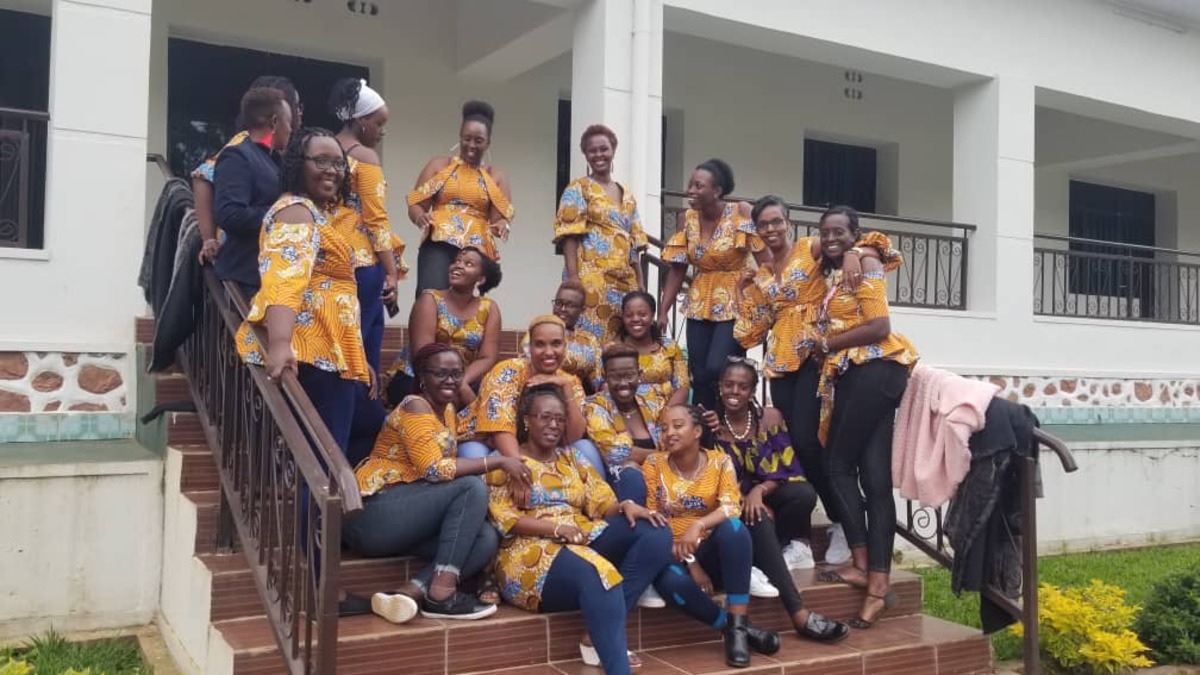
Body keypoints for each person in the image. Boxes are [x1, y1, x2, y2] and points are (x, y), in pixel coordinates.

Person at [735, 195, 896, 566]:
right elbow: (751, 332)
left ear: (788, 222)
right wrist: (743, 293)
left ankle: (842, 522)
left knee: (811, 441)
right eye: (763, 224)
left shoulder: (811, 248)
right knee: (795, 445)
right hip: (780, 363)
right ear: (757, 231)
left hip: (816, 355)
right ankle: (808, 533)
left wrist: (855, 252)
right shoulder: (762, 274)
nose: (771, 229)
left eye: (777, 221)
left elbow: (861, 240)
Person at [488, 385, 674, 674]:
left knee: (656, 530)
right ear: (526, 420)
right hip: (529, 553)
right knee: (600, 573)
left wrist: (627, 506)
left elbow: (601, 501)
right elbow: (504, 518)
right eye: (545, 417)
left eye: (560, 419)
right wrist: (555, 528)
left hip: (580, 538)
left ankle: (602, 628)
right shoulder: (507, 464)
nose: (554, 425)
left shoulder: (572, 458)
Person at [346, 344, 533, 622]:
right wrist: (499, 461)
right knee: (471, 486)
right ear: (422, 376)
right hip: (373, 513)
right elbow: (433, 469)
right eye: (441, 373)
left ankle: (410, 591)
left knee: (485, 538)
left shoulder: (446, 410)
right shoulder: (415, 406)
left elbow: (481, 421)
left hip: (409, 519)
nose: (450, 380)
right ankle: (441, 595)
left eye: (457, 373)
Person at [808, 206, 919, 629]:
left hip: (872, 371)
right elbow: (812, 249)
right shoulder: (841, 268)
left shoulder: (866, 262)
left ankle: (860, 562)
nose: (830, 238)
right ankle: (877, 583)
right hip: (870, 375)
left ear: (854, 234)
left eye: (840, 232)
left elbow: (879, 325)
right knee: (874, 481)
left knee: (836, 465)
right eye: (825, 232)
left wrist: (827, 345)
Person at [702, 358, 850, 643]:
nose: (735, 391)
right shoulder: (710, 424)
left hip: (762, 497)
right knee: (756, 515)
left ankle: (773, 557)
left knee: (802, 492)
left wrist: (759, 492)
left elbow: (787, 466)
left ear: (753, 390)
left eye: (743, 386)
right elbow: (709, 479)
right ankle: (799, 614)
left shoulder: (768, 419)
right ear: (719, 387)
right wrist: (745, 498)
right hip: (728, 507)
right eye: (729, 385)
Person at [645, 405, 781, 668]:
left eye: (677, 426)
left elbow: (731, 506)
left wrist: (698, 525)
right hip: (673, 554)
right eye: (664, 428)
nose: (669, 433)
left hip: (712, 550)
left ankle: (738, 625)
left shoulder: (720, 462)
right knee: (669, 582)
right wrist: (692, 563)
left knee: (734, 528)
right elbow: (653, 519)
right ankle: (735, 629)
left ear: (697, 431)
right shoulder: (653, 465)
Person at [658, 159, 768, 411]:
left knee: (719, 367)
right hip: (700, 301)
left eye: (699, 186)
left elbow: (766, 260)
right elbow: (678, 268)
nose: (691, 191)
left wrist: (763, 299)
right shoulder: (687, 218)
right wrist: (663, 310)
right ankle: (703, 427)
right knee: (698, 372)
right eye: (690, 185)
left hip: (734, 300)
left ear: (717, 190)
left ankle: (730, 421)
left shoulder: (740, 212)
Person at [329, 78, 407, 376]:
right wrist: (391, 272)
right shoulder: (365, 156)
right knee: (362, 350)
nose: (382, 131)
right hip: (362, 262)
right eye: (379, 123)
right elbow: (376, 220)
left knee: (338, 344)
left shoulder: (324, 149)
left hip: (331, 256)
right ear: (361, 121)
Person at [459, 315, 603, 474]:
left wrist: (566, 388)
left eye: (556, 344)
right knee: (474, 453)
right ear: (529, 348)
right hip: (487, 442)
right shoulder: (507, 371)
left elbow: (573, 437)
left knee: (585, 447)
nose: (549, 352)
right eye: (540, 344)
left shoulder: (570, 381)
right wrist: (523, 470)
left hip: (540, 448)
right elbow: (500, 431)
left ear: (565, 346)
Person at [408, 100, 514, 295]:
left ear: (488, 143)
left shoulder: (496, 176)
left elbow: (500, 218)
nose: (471, 145)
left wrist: (502, 225)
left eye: (478, 141)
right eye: (467, 138)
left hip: (475, 250)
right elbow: (416, 203)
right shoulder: (439, 165)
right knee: (431, 296)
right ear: (460, 137)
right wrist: (419, 217)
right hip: (438, 242)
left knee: (462, 301)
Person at [553, 125, 647, 343]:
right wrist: (574, 278)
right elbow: (569, 236)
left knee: (619, 340)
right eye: (592, 150)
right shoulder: (579, 188)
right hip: (591, 278)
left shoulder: (627, 194)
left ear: (613, 150)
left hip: (624, 282)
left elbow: (633, 242)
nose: (598, 155)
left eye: (603, 149)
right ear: (585, 155)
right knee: (589, 335)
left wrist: (640, 282)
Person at [194, 76, 301, 265]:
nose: (300, 112)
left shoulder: (273, 153)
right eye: (296, 105)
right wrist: (209, 239)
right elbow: (202, 176)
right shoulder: (241, 147)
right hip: (241, 258)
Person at [386, 247, 502, 407]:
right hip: (420, 377)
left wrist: (461, 382)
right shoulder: (430, 299)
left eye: (468, 264)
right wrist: (455, 383)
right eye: (456, 261)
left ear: (480, 279)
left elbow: (487, 357)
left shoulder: (489, 308)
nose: (458, 265)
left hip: (465, 379)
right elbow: (423, 354)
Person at [212, 88, 293, 294]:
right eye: (288, 123)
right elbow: (230, 214)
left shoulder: (274, 160)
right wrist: (282, 214)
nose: (290, 129)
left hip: (273, 277)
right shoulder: (237, 156)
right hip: (246, 281)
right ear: (274, 122)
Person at [583, 343, 663, 502]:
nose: (623, 383)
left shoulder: (653, 403)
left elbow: (671, 440)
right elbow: (615, 454)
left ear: (639, 374)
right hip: (619, 484)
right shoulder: (595, 406)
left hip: (658, 477)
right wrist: (663, 455)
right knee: (630, 472)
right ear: (605, 376)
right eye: (615, 376)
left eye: (629, 375)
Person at [520, 280, 602, 394]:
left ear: (582, 310)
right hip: (541, 393)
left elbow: (597, 381)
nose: (562, 309)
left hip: (577, 396)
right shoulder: (538, 332)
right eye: (559, 303)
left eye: (570, 305)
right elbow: (529, 368)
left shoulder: (590, 340)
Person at [616, 291, 689, 409]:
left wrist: (667, 415)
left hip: (668, 413)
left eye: (642, 314)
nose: (635, 319)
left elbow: (682, 387)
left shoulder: (670, 347)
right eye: (629, 315)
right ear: (623, 318)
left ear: (652, 316)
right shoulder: (613, 349)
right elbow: (605, 386)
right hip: (627, 412)